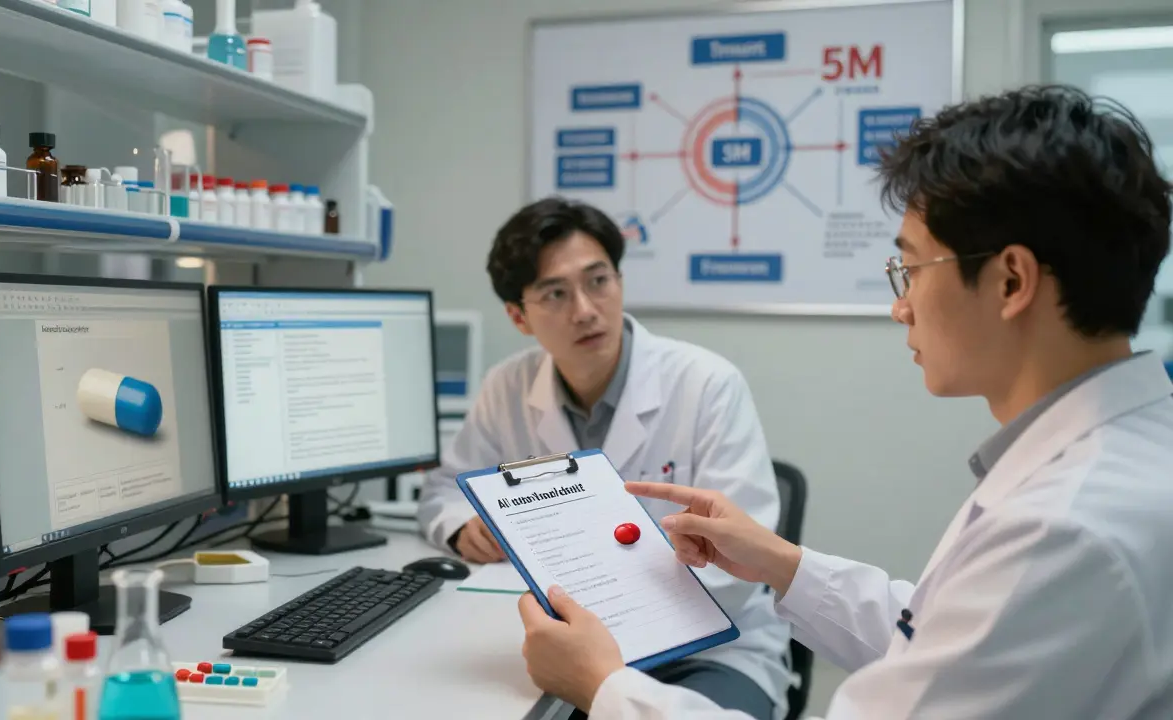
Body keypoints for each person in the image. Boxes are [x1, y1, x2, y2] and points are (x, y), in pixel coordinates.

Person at [516, 84, 1173, 718]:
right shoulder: (1112, 463)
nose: (900, 307)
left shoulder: (1062, 529)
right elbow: (940, 637)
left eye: (911, 269)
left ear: (1010, 281)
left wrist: (601, 686)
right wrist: (784, 564)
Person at [417, 198, 792, 718]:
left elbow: (742, 556)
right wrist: (463, 527)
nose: (585, 310)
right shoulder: (507, 385)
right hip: (569, 647)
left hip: (711, 650)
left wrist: (605, 632)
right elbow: (443, 489)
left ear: (619, 280)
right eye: (555, 293)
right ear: (518, 316)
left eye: (598, 281)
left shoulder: (706, 384)